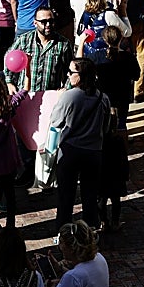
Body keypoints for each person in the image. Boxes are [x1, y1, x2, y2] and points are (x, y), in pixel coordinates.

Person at [49, 57, 112, 232]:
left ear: (81, 75)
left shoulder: (69, 96)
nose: (68, 75)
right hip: (93, 151)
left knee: (65, 197)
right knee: (90, 196)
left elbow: (55, 121)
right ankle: (90, 232)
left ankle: (63, 232)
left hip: (70, 151)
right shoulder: (103, 98)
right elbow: (106, 127)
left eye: (71, 72)